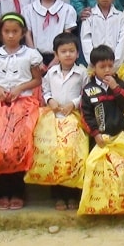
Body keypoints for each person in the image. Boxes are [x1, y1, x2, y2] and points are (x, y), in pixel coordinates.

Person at [0, 13, 43, 211]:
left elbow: (37, 80)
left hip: (23, 104)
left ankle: (18, 191)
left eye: (15, 31)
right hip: (0, 106)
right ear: (0, 34)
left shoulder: (30, 55)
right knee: (1, 148)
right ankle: (2, 191)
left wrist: (19, 88)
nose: (11, 35)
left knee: (18, 147)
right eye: (6, 31)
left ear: (22, 33)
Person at [42, 33, 89, 210]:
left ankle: (73, 195)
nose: (68, 54)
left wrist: (74, 103)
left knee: (73, 155)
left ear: (77, 54)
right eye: (63, 51)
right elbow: (45, 90)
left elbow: (87, 93)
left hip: (74, 119)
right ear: (56, 54)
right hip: (54, 119)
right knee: (56, 155)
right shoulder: (51, 73)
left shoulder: (82, 72)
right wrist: (50, 101)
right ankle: (58, 195)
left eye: (71, 51)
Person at [24, 0, 78, 69]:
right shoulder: (28, 10)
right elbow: (27, 35)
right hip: (34, 57)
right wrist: (36, 60)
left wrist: (57, 59)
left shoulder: (67, 10)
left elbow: (66, 37)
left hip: (60, 57)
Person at [80, 44, 124, 147]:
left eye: (110, 66)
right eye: (102, 67)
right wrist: (95, 134)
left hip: (120, 134)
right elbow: (86, 115)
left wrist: (115, 88)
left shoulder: (120, 84)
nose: (107, 70)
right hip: (99, 137)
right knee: (95, 163)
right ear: (93, 68)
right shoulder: (88, 90)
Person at [80, 0, 124, 68]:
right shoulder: (89, 17)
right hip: (94, 67)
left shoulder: (121, 17)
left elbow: (121, 43)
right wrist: (94, 64)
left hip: (115, 68)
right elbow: (86, 41)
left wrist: (113, 65)